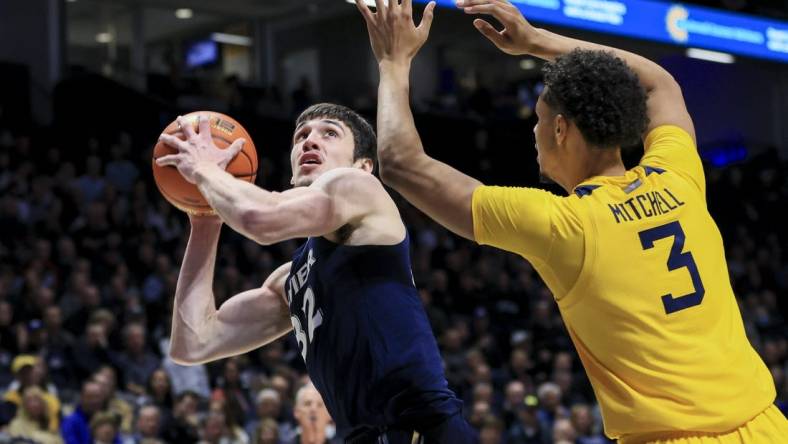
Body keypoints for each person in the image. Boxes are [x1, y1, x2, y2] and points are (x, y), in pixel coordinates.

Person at [356, 0, 788, 442]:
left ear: (560, 130)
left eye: (539, 120)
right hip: (766, 423)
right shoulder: (678, 177)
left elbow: (401, 163)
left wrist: (393, 62)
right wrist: (536, 40)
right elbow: (660, 83)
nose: (534, 131)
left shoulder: (566, 224)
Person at [157, 104, 475, 442]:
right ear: (293, 172)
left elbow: (259, 219)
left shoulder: (358, 187)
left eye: (329, 133)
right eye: (301, 135)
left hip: (423, 427)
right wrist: (206, 220)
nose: (310, 140)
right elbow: (193, 343)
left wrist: (206, 171)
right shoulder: (289, 281)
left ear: (363, 165)